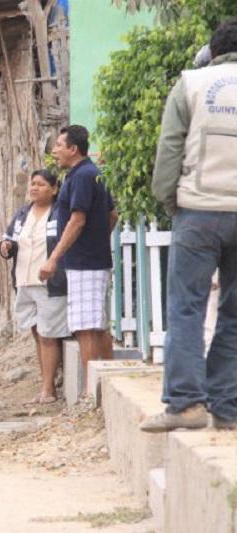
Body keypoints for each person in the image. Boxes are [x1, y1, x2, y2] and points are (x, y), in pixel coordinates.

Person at [141, 20, 237, 432]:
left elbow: (170, 150)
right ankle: (228, 408)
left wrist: (170, 201)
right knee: (234, 314)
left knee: (186, 308)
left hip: (197, 212)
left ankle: (186, 404)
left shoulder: (193, 85)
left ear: (211, 51)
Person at [39, 125, 117, 387]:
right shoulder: (86, 174)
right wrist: (97, 240)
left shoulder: (83, 176)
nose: (55, 151)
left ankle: (91, 390)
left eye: (59, 145)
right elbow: (112, 215)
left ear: (73, 149)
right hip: (89, 259)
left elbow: (77, 220)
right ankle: (107, 383)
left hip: (85, 263)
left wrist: (53, 259)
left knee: (86, 326)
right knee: (96, 323)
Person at [0, 170, 68, 404]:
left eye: (40, 184)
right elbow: (8, 237)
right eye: (33, 184)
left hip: (49, 282)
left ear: (54, 189)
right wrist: (6, 246)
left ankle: (48, 389)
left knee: (48, 335)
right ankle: (46, 382)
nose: (34, 188)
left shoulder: (60, 212)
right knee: (36, 333)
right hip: (24, 280)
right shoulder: (22, 213)